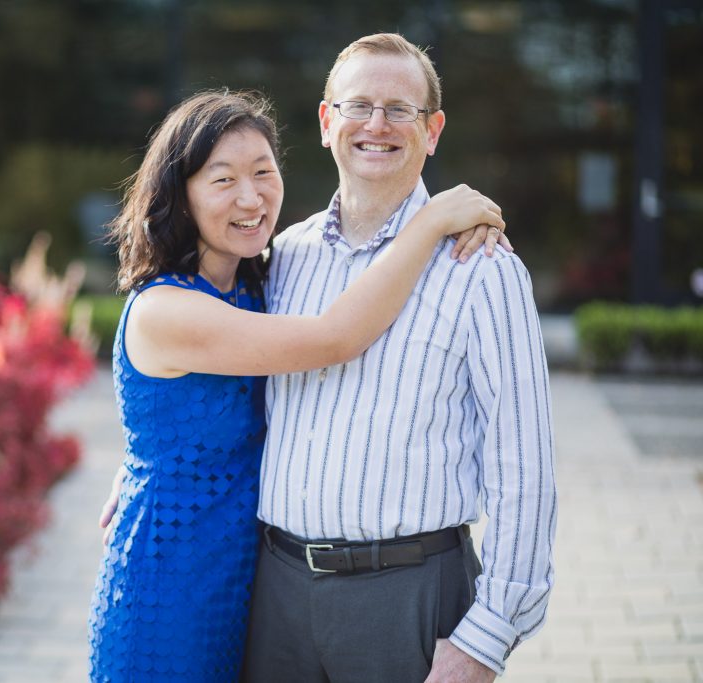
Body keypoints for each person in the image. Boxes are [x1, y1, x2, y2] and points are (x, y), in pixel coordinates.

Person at [87, 89, 508, 682]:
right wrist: (432, 219)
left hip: (245, 582)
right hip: (170, 578)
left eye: (264, 172)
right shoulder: (166, 309)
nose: (250, 197)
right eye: (222, 179)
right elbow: (337, 337)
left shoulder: (261, 281)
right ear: (178, 192)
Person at [241, 33, 556, 683]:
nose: (376, 125)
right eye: (358, 106)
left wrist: (486, 637)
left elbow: (524, 466)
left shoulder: (483, 269)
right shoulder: (282, 257)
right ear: (327, 122)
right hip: (275, 594)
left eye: (399, 110)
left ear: (433, 131)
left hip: (408, 598)